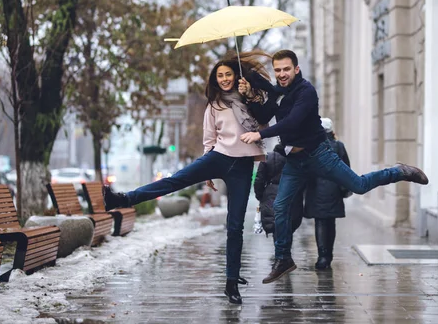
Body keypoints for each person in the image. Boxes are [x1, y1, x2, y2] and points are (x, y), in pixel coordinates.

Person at [238, 49, 429, 284]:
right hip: (295, 162)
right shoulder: (281, 94)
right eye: (277, 70)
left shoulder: (306, 92)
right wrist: (248, 96)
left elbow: (291, 123)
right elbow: (263, 113)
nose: (282, 74)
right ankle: (284, 258)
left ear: (296, 69)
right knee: (280, 207)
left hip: (319, 154)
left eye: (286, 69)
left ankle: (398, 171)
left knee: (359, 185)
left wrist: (260, 134)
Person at [102, 51, 271, 305]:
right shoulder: (215, 104)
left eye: (228, 74)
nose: (224, 79)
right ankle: (124, 199)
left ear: (236, 75)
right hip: (217, 158)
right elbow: (209, 138)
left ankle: (232, 282)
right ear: (215, 80)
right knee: (174, 180)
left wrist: (249, 94)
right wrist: (207, 171)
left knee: (235, 226)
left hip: (243, 166)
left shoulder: (252, 99)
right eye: (220, 76)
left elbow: (265, 123)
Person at [304, 117, 350, 270]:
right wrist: (344, 190)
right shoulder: (338, 146)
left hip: (315, 190)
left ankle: (322, 256)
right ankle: (328, 256)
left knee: (320, 222)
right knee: (331, 223)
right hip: (334, 190)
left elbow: (305, 169)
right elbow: (346, 169)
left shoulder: (311, 146)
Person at [253, 143, 304, 238]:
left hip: (271, 196)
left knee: (276, 225)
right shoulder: (298, 158)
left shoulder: (268, 157)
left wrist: (260, 196)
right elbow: (304, 179)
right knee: (290, 225)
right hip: (293, 195)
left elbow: (259, 180)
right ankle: (285, 251)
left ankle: (280, 251)